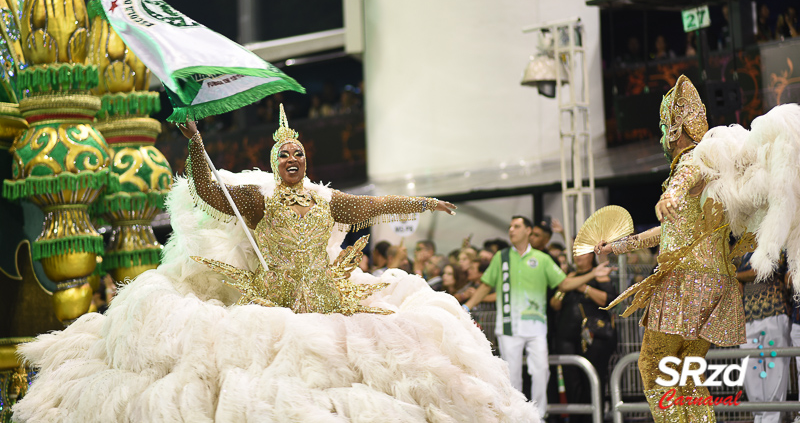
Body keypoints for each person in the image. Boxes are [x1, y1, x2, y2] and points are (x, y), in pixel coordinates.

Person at [14, 105, 540, 422]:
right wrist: (196, 144)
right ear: (274, 164)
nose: (294, 162)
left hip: (328, 302)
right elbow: (209, 193)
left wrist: (427, 204)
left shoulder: (326, 202)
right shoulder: (259, 202)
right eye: (285, 156)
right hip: (273, 305)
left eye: (300, 156)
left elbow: (377, 207)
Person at [595, 75, 746, 422]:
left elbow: (681, 182)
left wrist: (669, 195)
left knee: (654, 368)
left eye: (664, 127)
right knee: (688, 378)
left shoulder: (692, 161)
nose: (663, 136)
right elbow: (668, 232)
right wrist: (618, 246)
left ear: (675, 130)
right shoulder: (715, 168)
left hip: (685, 282)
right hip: (716, 283)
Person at [464, 215, 614, 416]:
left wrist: (592, 274)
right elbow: (485, 286)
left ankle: (538, 416)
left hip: (536, 327)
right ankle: (514, 417)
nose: (511, 230)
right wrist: (466, 307)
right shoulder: (501, 257)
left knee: (542, 371)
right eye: (510, 226)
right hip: (509, 326)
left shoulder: (542, 259)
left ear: (527, 230)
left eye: (516, 226)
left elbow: (564, 284)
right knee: (512, 376)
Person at [550, 253, 618, 422]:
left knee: (593, 379)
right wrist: (566, 284)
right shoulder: (568, 278)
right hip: (566, 336)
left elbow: (607, 300)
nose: (578, 257)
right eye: (575, 253)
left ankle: (594, 418)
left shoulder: (599, 274)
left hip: (594, 337)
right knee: (571, 380)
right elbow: (555, 303)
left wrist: (583, 287)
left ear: (591, 255)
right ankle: (575, 419)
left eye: (582, 253)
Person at [737, 252, 790, 423]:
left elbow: (766, 270)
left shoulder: (776, 242)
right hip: (748, 317)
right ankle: (759, 417)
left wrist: (737, 276)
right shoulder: (743, 252)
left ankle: (772, 419)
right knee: (750, 372)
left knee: (776, 370)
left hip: (773, 312)